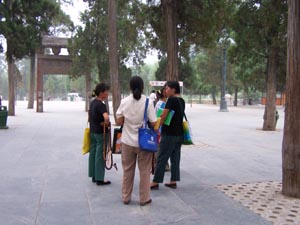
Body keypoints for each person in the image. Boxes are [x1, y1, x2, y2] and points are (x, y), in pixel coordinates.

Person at [116, 76, 157, 206]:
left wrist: (128, 121)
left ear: (130, 87)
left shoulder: (124, 101)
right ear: (143, 87)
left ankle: (126, 197)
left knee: (127, 171)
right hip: (144, 143)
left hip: (127, 142)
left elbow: (119, 121)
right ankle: (144, 199)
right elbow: (154, 123)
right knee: (144, 171)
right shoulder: (148, 102)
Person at [150, 81, 185, 190]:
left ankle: (156, 181)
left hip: (169, 134)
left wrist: (156, 127)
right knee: (175, 158)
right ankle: (173, 180)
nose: (165, 91)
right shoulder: (181, 101)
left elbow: (164, 116)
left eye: (167, 88)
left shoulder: (172, 100)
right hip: (179, 134)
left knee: (162, 157)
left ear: (174, 89)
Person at [88, 83, 111, 186]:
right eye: (106, 91)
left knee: (93, 154)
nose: (107, 93)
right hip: (101, 133)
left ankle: (93, 175)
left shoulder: (92, 103)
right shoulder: (101, 105)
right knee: (100, 155)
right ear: (101, 92)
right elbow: (106, 117)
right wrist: (106, 123)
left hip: (92, 131)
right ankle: (100, 178)